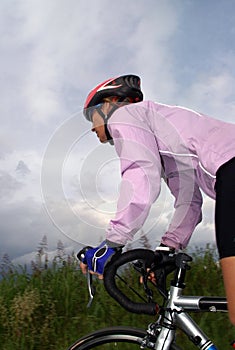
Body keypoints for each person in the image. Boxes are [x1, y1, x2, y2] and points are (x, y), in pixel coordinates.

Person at [79, 74, 235, 326]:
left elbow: (140, 174)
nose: (91, 127)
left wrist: (112, 242)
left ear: (107, 104)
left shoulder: (124, 115)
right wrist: (168, 248)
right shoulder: (167, 140)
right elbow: (189, 202)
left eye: (91, 116)